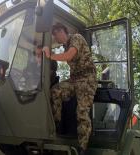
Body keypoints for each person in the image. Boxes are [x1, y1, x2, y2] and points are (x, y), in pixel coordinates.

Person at [42, 23, 97, 153]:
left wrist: (50, 55)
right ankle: (57, 126)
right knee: (55, 91)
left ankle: (82, 148)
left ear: (61, 31)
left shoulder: (76, 38)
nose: (55, 38)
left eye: (55, 35)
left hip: (87, 79)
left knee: (82, 112)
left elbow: (69, 56)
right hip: (74, 79)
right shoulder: (65, 45)